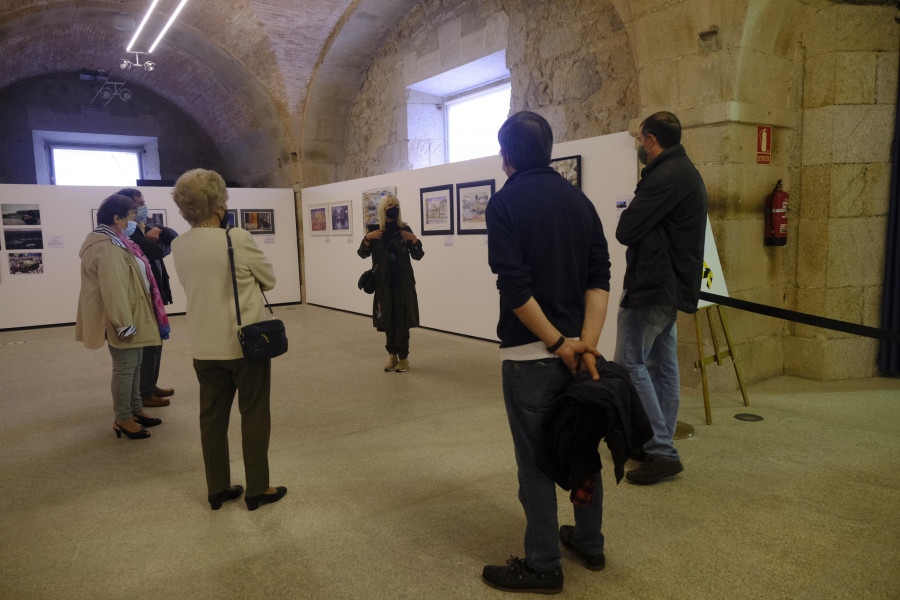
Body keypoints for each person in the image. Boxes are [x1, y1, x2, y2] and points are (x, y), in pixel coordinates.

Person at [483, 111, 611, 594]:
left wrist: (557, 344)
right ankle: (589, 540)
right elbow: (599, 276)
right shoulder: (580, 201)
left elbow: (515, 289)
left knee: (536, 460)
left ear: (508, 154)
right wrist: (586, 345)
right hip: (582, 354)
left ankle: (542, 563)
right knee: (582, 448)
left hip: (531, 356)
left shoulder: (505, 203)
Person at [170, 168, 287, 511]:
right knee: (254, 414)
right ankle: (257, 489)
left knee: (212, 419)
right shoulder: (235, 238)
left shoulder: (179, 245)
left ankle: (217, 488)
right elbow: (269, 280)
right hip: (244, 344)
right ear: (218, 202)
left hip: (204, 347)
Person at [615, 111, 708, 485]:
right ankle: (658, 443)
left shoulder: (665, 176)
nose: (639, 145)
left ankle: (662, 452)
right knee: (662, 366)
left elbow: (627, 228)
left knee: (630, 365)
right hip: (669, 288)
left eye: (640, 139)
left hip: (653, 287)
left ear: (651, 140)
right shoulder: (685, 172)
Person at [75, 193, 169, 440]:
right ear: (117, 218)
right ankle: (123, 418)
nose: (134, 222)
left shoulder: (118, 241)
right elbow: (114, 289)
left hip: (135, 312)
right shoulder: (106, 246)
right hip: (123, 318)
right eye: (129, 217)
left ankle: (136, 409)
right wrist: (124, 324)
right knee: (125, 368)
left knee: (136, 365)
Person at [118, 187, 178, 408]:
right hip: (142, 295)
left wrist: (160, 229)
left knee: (157, 342)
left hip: (156, 293)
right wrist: (159, 240)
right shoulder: (128, 232)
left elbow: (173, 236)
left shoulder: (146, 227)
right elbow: (157, 252)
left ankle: (150, 386)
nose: (143, 207)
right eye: (138, 204)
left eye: (143, 202)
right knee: (148, 344)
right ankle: (144, 392)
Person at [357, 194, 424, 372]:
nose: (392, 207)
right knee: (387, 320)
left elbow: (418, 256)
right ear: (382, 208)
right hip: (383, 285)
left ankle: (404, 357)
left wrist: (415, 240)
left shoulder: (404, 229)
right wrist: (367, 239)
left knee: (401, 322)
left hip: (402, 284)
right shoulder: (374, 230)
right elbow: (362, 254)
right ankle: (392, 356)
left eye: (395, 204)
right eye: (388, 205)